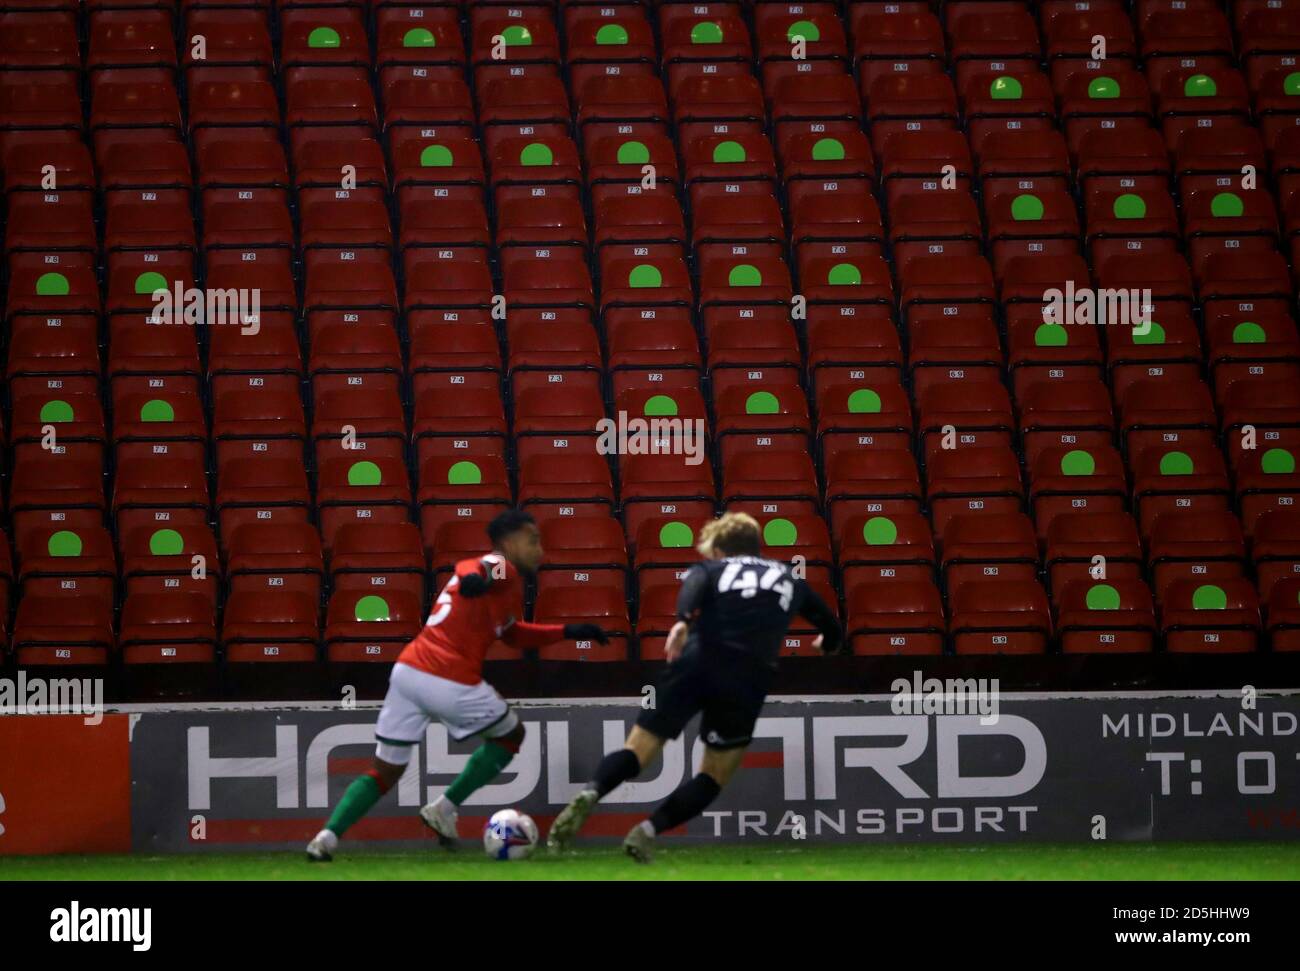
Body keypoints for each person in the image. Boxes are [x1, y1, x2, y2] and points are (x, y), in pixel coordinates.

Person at [307, 509, 609, 861]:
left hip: (408, 672)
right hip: (446, 675)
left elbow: (512, 634)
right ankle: (445, 807)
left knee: (384, 771)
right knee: (510, 736)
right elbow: (476, 568)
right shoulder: (500, 566)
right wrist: (474, 578)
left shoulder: (507, 588)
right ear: (509, 542)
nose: (540, 550)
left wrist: (567, 631)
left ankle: (325, 839)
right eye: (533, 540)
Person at [546, 511, 843, 862]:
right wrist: (826, 643)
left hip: (697, 660)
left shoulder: (713, 569)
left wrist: (683, 622)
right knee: (714, 774)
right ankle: (647, 831)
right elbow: (832, 627)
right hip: (748, 676)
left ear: (719, 550)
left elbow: (693, 587)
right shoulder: (789, 578)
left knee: (639, 749)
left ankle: (592, 792)